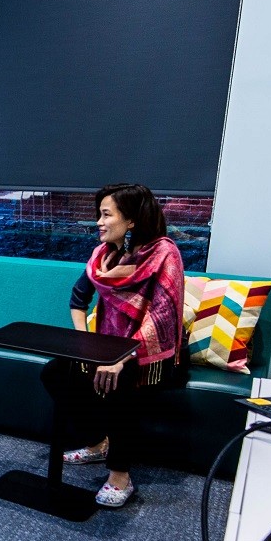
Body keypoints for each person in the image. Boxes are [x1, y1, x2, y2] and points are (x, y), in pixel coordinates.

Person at [40, 183, 188, 507]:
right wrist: (84, 343)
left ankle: (120, 475)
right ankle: (97, 444)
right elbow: (78, 300)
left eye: (106, 214)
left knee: (120, 382)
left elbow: (161, 318)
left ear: (131, 219)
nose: (99, 222)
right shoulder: (102, 257)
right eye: (99, 214)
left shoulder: (165, 253)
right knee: (55, 373)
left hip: (154, 356)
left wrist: (120, 357)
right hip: (106, 348)